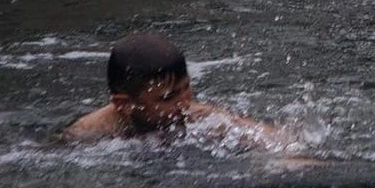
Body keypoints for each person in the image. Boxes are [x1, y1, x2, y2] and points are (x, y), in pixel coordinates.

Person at [63, 31, 287, 146]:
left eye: (186, 88)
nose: (184, 103)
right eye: (168, 97)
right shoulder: (88, 133)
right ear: (125, 104)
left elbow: (273, 138)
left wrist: (288, 155)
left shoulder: (197, 116)